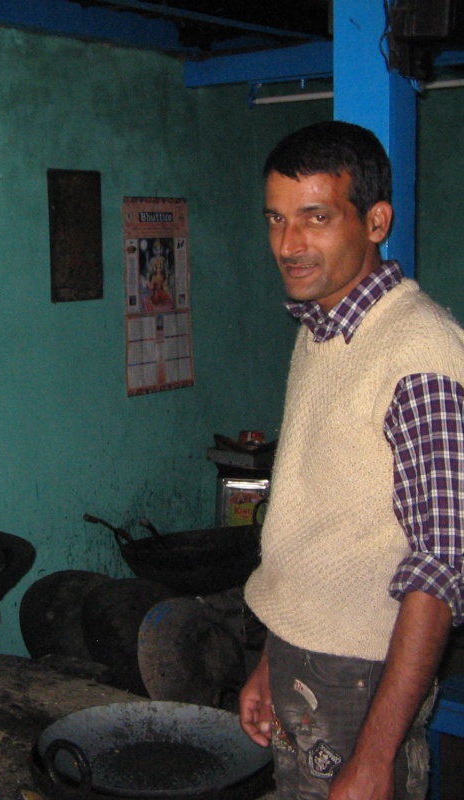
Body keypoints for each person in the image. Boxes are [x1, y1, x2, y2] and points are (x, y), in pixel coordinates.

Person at [239, 120, 464, 799]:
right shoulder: (321, 328)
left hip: (364, 679)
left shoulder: (420, 352)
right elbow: (317, 529)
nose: (288, 244)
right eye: (276, 218)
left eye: (316, 217)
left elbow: (442, 566)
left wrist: (375, 758)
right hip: (306, 661)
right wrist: (274, 660)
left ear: (375, 221)